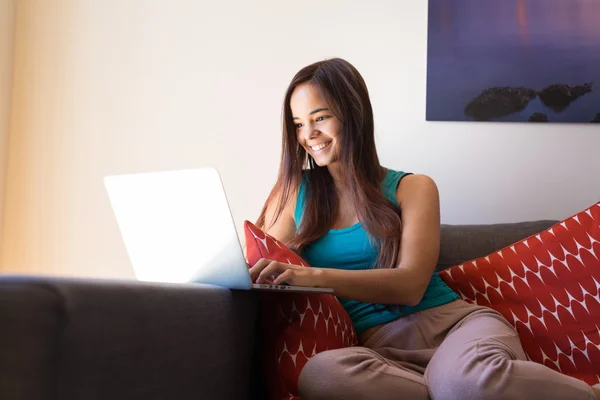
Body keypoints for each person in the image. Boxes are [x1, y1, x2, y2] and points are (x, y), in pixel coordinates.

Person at [248, 58, 600, 400]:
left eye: (320, 118)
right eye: (297, 124)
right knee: (320, 374)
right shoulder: (294, 192)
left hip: (454, 330)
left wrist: (314, 276)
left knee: (465, 382)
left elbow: (411, 285)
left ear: (354, 115)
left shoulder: (413, 187)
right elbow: (262, 263)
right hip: (381, 352)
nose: (308, 135)